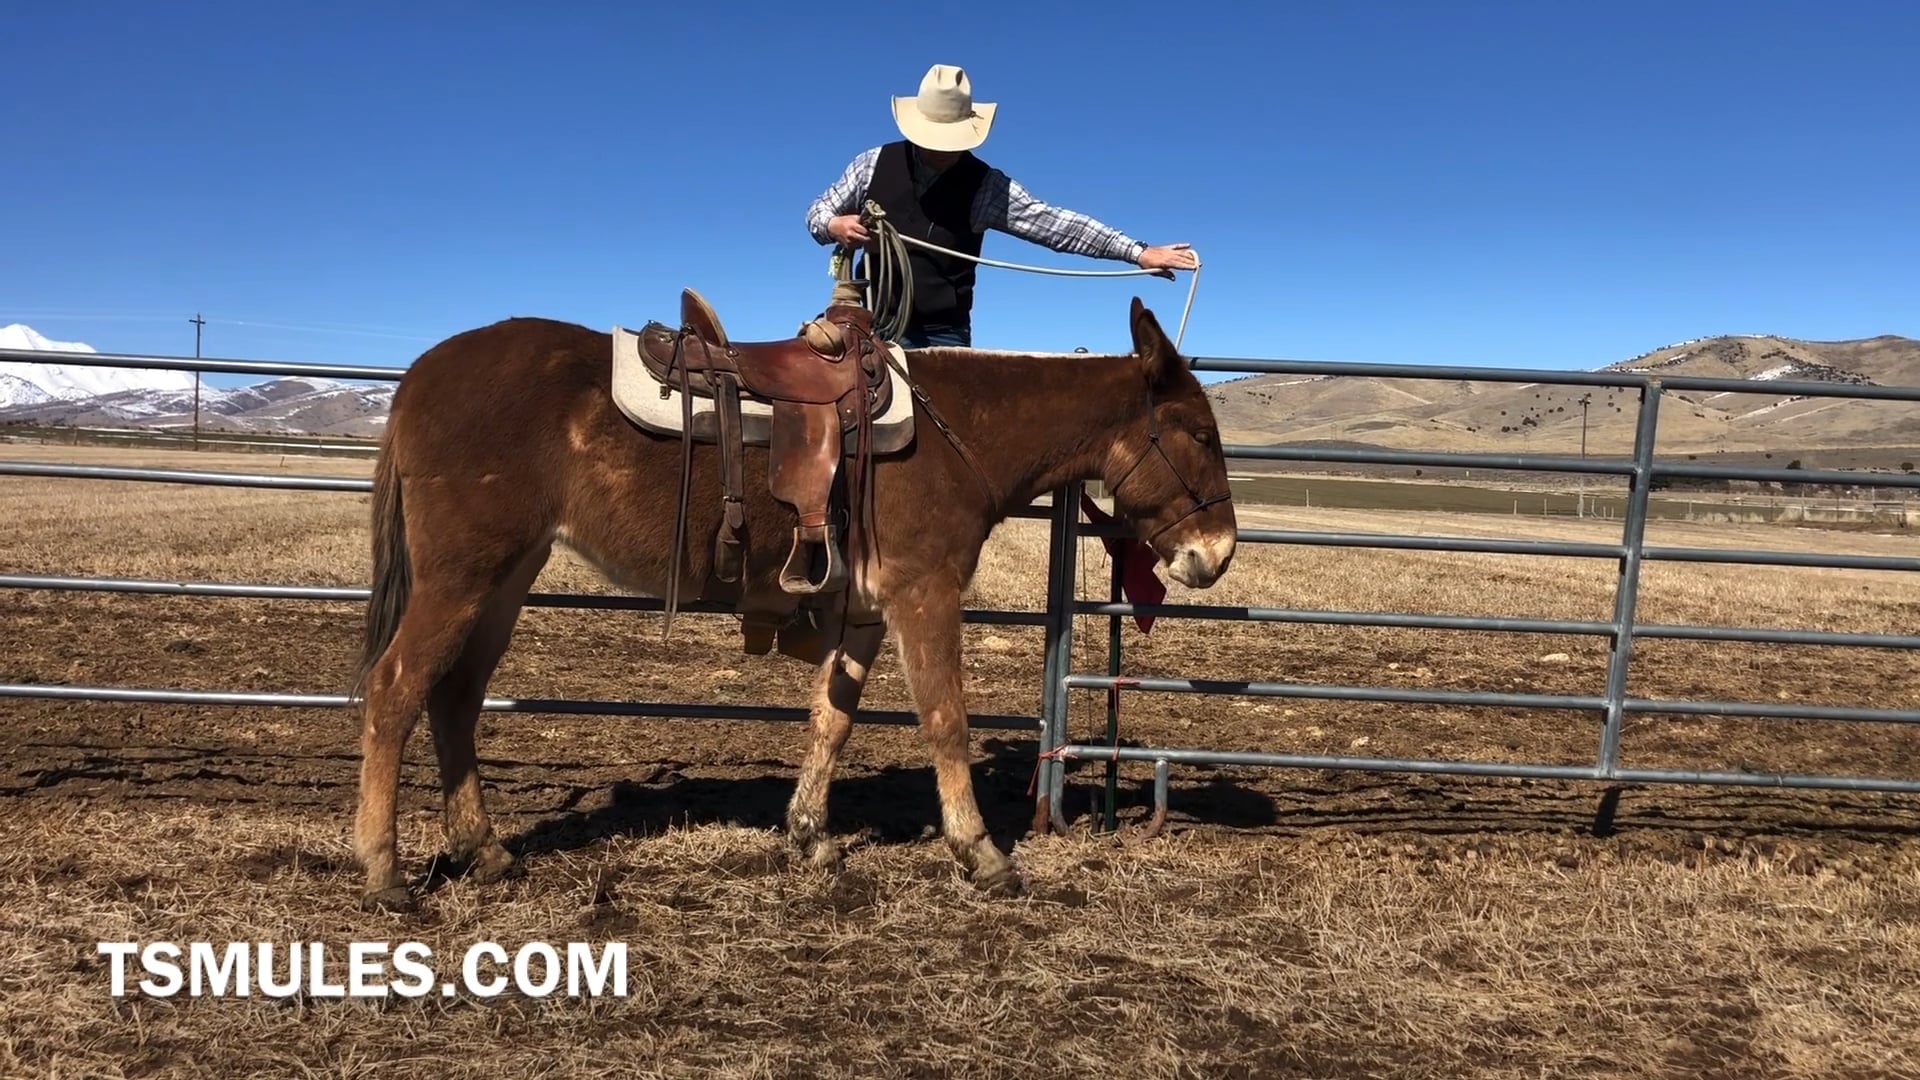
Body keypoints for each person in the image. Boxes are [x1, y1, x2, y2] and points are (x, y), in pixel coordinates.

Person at [805, 63, 1199, 348]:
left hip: (943, 334)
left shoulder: (986, 186)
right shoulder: (873, 164)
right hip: (868, 321)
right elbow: (818, 213)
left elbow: (1056, 225)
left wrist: (1138, 252)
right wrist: (834, 226)